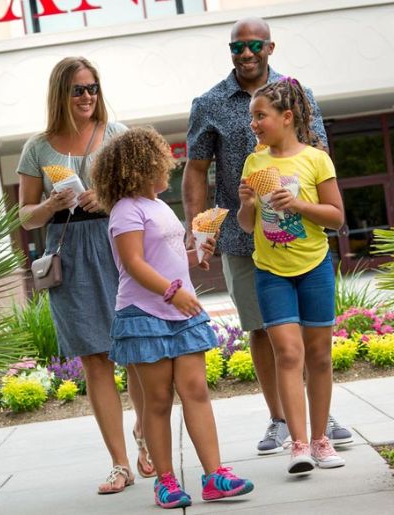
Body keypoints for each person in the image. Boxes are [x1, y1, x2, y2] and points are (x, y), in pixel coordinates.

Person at [183, 17, 353, 456]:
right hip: (244, 238)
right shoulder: (209, 103)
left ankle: (319, 419)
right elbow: (196, 171)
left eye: (253, 45)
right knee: (262, 330)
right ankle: (280, 419)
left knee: (312, 341)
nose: (245, 53)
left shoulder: (298, 93)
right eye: (236, 47)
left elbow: (319, 160)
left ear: (269, 48)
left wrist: (308, 210)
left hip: (304, 236)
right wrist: (199, 230)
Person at [91, 127, 254, 509]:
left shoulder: (159, 206)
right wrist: (171, 291)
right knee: (159, 401)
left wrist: (196, 251)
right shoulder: (124, 211)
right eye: (162, 165)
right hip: (144, 314)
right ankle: (164, 481)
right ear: (141, 167)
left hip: (180, 312)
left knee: (196, 390)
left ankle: (214, 475)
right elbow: (133, 263)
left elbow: (167, 254)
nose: (170, 169)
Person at [16, 56, 155, 494]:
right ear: (61, 93)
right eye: (78, 89)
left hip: (119, 245)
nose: (88, 96)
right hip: (69, 252)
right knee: (96, 358)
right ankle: (119, 464)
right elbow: (26, 217)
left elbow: (146, 194)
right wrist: (50, 206)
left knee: (132, 348)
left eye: (93, 87)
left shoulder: (118, 134)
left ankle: (146, 438)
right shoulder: (37, 147)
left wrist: (108, 198)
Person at [236, 76, 346, 475]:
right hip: (271, 272)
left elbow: (336, 217)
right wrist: (247, 204)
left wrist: (298, 205)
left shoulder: (317, 159)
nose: (254, 124)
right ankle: (298, 444)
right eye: (252, 117)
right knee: (287, 352)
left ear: (286, 117)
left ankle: (321, 439)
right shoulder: (254, 162)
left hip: (314, 266)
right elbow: (247, 226)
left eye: (260, 116)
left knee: (319, 356)